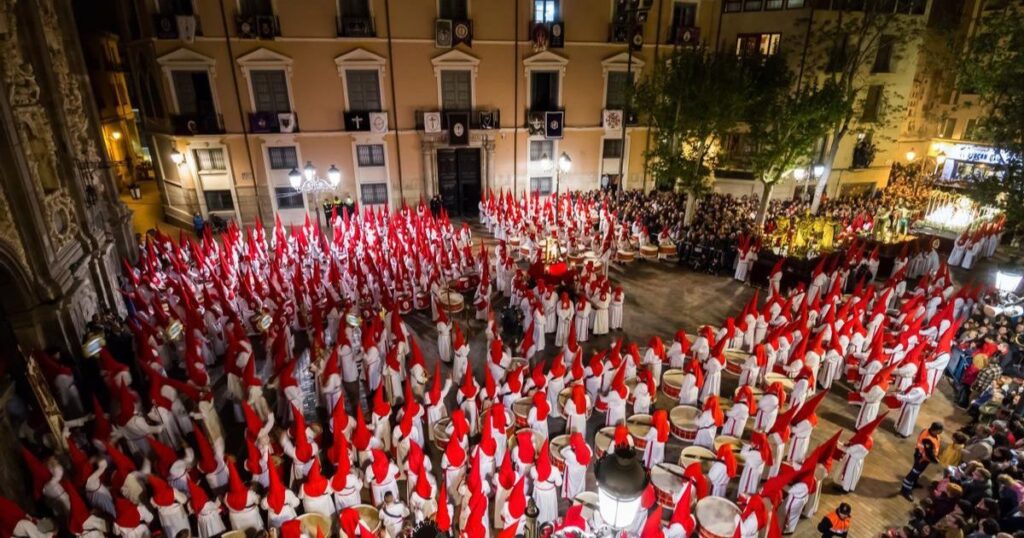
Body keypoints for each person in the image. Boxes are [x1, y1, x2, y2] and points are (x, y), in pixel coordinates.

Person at [900, 422, 943, 500]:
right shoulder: (928, 439)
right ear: (935, 430)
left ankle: (914, 483)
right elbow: (929, 452)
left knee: (918, 472)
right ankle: (905, 490)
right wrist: (935, 460)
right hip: (922, 458)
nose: (940, 433)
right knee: (913, 473)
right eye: (939, 431)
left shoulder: (927, 431)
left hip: (924, 458)